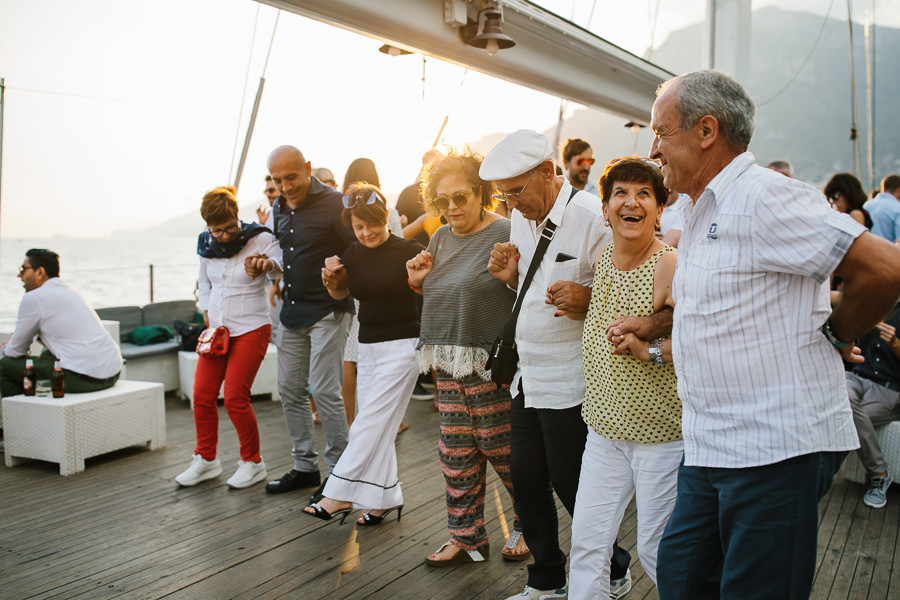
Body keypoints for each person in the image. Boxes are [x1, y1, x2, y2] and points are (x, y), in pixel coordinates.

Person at [647, 69, 900, 600]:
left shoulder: (766, 198)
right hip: (709, 445)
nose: (653, 149)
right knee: (681, 577)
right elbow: (723, 305)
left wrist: (838, 333)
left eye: (661, 133)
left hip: (771, 450)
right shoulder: (698, 210)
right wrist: (656, 325)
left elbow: (884, 269)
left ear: (706, 130)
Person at [483, 130, 633, 600]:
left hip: (575, 378)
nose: (509, 203)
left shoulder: (591, 216)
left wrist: (588, 298)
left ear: (548, 173)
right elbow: (532, 288)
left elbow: (628, 289)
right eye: (502, 194)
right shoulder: (519, 217)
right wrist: (511, 280)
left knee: (573, 485)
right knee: (525, 480)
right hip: (529, 374)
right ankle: (546, 578)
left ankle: (614, 568)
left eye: (516, 191)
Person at [405, 150, 529, 567]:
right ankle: (467, 537)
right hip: (448, 363)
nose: (451, 208)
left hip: (490, 365)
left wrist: (510, 279)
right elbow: (446, 295)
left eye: (460, 198)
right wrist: (418, 284)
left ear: (481, 193)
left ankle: (530, 525)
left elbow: (524, 294)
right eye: (442, 202)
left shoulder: (508, 231)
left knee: (504, 450)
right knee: (456, 453)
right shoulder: (440, 237)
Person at [567, 157, 681, 599]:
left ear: (659, 209)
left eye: (644, 194)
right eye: (620, 193)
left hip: (662, 438)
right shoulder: (602, 258)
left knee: (657, 549)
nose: (631, 203)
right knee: (588, 542)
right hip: (604, 430)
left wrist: (647, 348)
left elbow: (699, 343)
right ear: (605, 207)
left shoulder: (670, 264)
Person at [303, 184, 423, 523]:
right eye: (358, 227)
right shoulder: (351, 254)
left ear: (386, 217)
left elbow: (428, 291)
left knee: (366, 425)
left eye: (372, 224)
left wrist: (421, 279)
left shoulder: (410, 249)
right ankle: (385, 497)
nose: (366, 232)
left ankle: (338, 494)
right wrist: (331, 279)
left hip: (403, 346)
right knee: (378, 426)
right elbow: (341, 294)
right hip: (367, 346)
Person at [245, 145, 356, 501]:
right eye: (277, 180)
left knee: (324, 391)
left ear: (307, 168)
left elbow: (356, 249)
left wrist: (344, 277)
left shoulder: (336, 203)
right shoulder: (278, 205)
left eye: (291, 177)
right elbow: (288, 252)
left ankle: (340, 473)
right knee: (290, 390)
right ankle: (305, 467)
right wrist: (269, 266)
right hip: (292, 310)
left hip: (328, 308)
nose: (285, 186)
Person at [174, 186, 282, 489]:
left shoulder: (259, 237)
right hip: (218, 331)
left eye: (230, 228)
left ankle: (253, 462)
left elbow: (281, 269)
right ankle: (206, 460)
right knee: (202, 395)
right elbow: (204, 282)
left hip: (252, 327)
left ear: (237, 218)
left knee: (235, 397)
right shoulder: (205, 243)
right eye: (216, 230)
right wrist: (206, 311)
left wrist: (266, 263)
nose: (223, 236)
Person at [0, 249, 122, 397]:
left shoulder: (34, 298)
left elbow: (15, 351)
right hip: (113, 373)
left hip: (82, 379)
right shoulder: (73, 292)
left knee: (5, 365)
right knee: (47, 354)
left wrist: (5, 348)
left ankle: (15, 416)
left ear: (40, 272)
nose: (20, 275)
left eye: (23, 269)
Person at [845, 302, 900, 508]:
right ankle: (880, 473)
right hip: (857, 377)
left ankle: (879, 473)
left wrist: (895, 343)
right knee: (838, 395)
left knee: (851, 416)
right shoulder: (878, 299)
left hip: (889, 389)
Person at [864, 174, 900, 242]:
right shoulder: (897, 208)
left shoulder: (866, 205)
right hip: (889, 251)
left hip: (866, 250)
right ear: (899, 189)